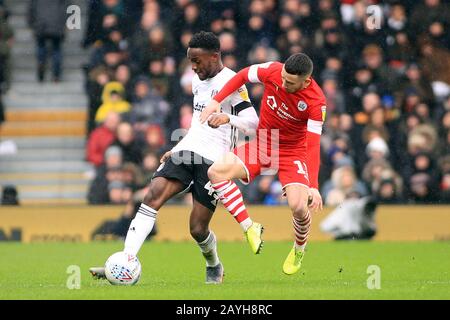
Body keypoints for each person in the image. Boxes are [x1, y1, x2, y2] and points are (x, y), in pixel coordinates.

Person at [90, 31, 260, 284]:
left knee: (197, 229)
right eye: (191, 60)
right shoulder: (196, 80)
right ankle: (125, 261)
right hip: (188, 151)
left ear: (215, 56)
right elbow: (197, 121)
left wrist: (228, 118)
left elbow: (253, 123)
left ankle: (214, 264)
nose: (193, 66)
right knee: (152, 194)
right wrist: (181, 145)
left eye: (197, 61)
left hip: (215, 161)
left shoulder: (232, 82)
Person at [200, 53, 326, 275]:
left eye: (290, 83)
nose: (283, 83)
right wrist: (216, 101)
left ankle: (299, 248)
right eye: (283, 79)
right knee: (216, 172)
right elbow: (241, 76)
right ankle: (249, 227)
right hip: (264, 144)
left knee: (298, 206)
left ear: (306, 81)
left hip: (293, 152)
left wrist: (314, 186)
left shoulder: (316, 101)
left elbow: (313, 145)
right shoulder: (273, 71)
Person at [28, 0, 67, 82]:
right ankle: (56, 75)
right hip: (57, 23)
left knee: (41, 46)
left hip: (41, 23)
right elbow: (67, 6)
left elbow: (31, 7)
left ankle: (41, 62)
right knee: (56, 49)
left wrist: (31, 23)